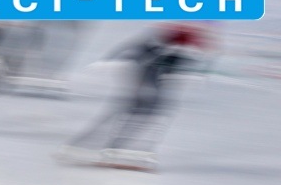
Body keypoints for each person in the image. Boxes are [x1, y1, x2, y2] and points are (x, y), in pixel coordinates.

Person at [55, 23, 211, 171]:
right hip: (142, 70)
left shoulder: (184, 40)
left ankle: (111, 148)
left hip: (149, 70)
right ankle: (93, 147)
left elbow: (173, 61)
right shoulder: (170, 38)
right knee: (140, 107)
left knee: (145, 108)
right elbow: (141, 54)